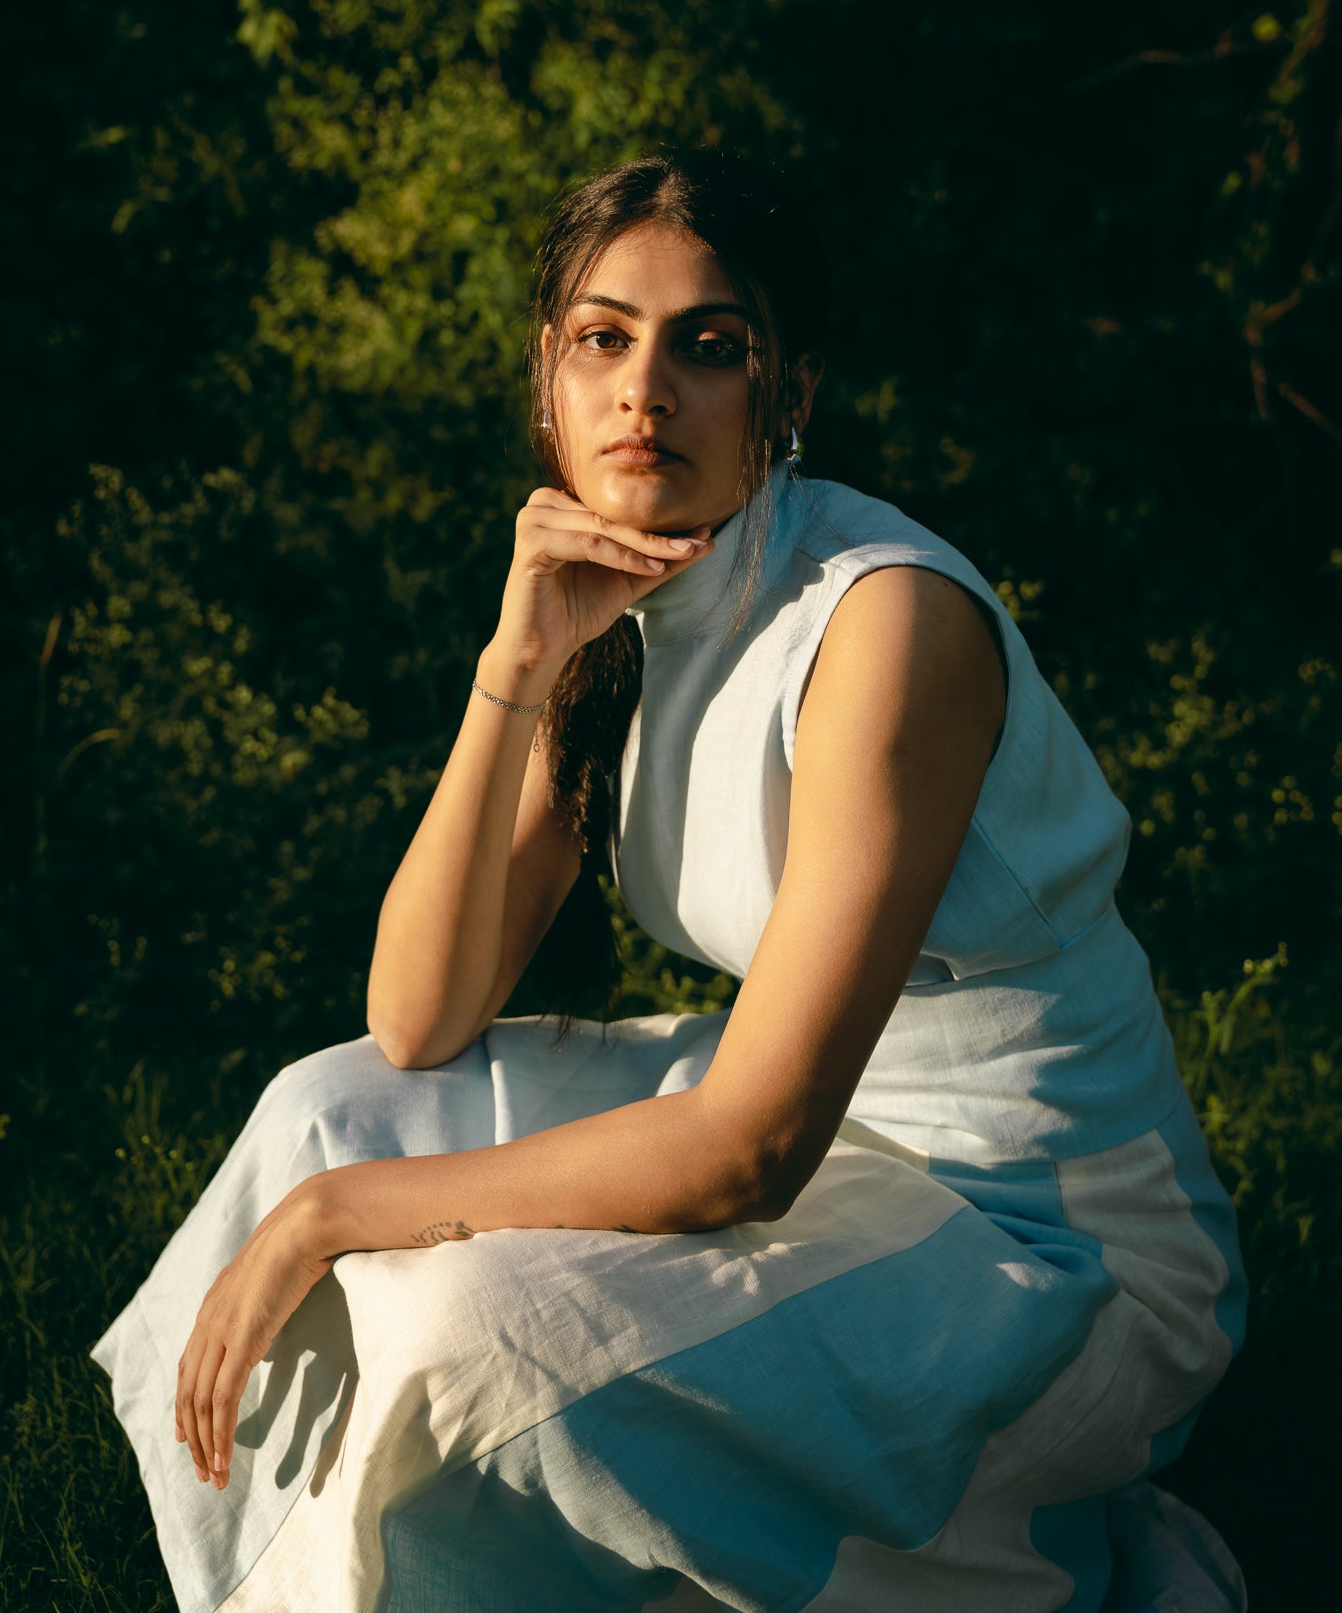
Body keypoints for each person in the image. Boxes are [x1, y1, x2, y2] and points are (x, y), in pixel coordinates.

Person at [92, 147, 1248, 1613]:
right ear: (548, 385)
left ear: (788, 395)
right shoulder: (617, 605)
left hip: (1037, 1241)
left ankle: (1031, 1546)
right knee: (324, 1115)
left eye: (709, 348)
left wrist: (338, 1221)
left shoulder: (879, 625)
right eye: (604, 340)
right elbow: (416, 1020)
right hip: (833, 1138)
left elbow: (750, 1149)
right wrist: (515, 669)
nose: (646, 392)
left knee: (472, 1322)